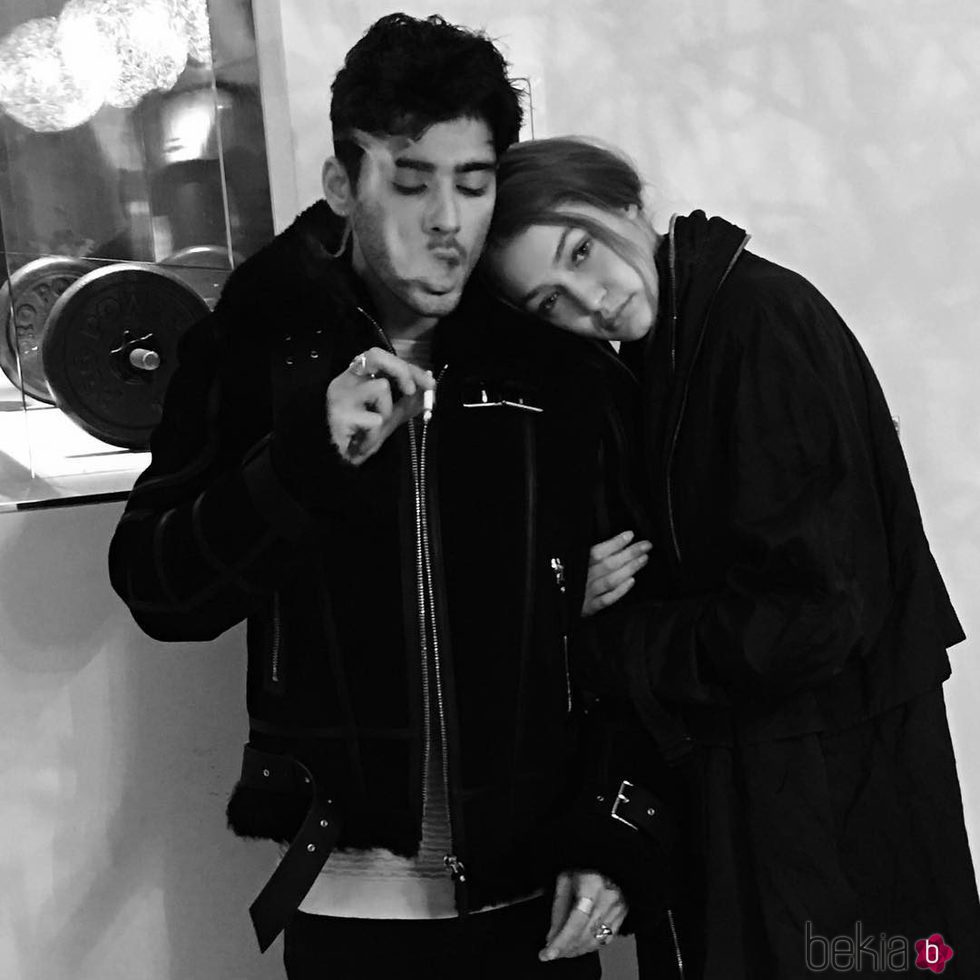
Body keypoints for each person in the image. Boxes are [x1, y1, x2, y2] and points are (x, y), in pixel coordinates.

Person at [107, 16, 673, 980]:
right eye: (412, 183)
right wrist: (301, 460)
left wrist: (616, 830)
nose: (448, 220)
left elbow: (638, 619)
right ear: (343, 183)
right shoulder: (260, 345)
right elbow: (163, 593)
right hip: (345, 894)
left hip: (535, 894)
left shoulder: (551, 357)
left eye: (474, 183)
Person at [481, 136, 980, 978]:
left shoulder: (755, 323)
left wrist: (609, 644)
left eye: (581, 252)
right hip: (771, 799)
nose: (589, 300)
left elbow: (815, 614)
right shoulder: (659, 357)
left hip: (836, 812)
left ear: (623, 201)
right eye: (550, 300)